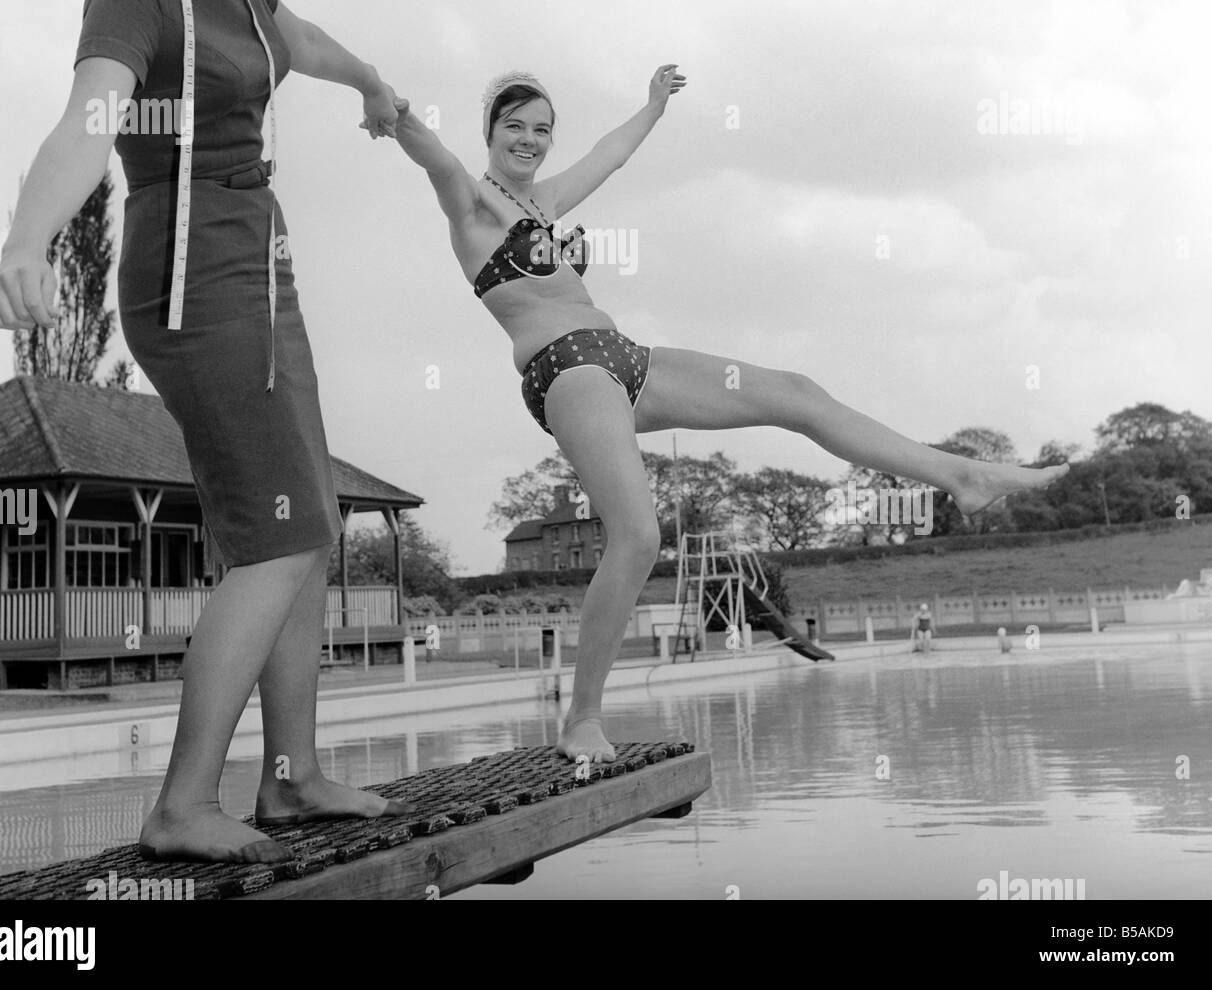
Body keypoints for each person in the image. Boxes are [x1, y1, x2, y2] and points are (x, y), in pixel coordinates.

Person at [0, 0, 410, 864]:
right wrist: (27, 240)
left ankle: (292, 776)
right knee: (271, 538)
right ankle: (181, 805)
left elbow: (295, 39)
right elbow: (89, 113)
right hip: (189, 275)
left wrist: (370, 82)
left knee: (308, 523)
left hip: (261, 260)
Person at [387, 69, 1069, 761]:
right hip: (567, 370)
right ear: (491, 133)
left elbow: (611, 154)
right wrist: (395, 111)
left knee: (796, 393)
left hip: (623, 356)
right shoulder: (472, 205)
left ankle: (962, 476)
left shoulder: (543, 201)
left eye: (541, 129)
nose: (529, 140)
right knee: (637, 536)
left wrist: (652, 105)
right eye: (515, 127)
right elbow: (434, 156)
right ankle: (582, 720)